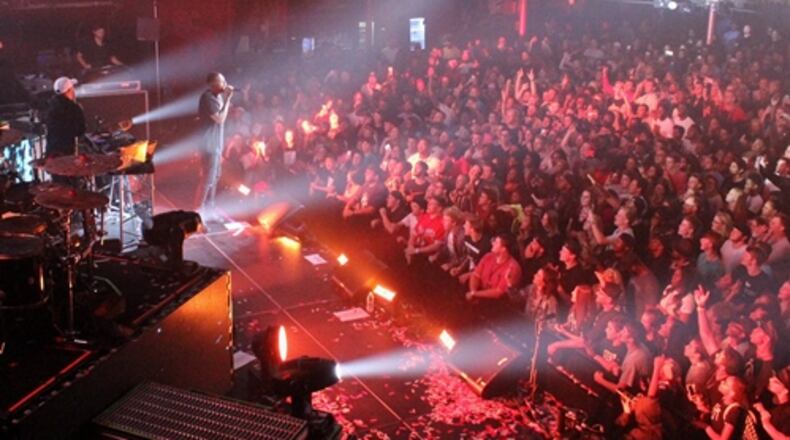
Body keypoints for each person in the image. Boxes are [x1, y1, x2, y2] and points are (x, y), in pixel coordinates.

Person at [197, 72, 233, 213]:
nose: (225, 84)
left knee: (215, 177)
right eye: (222, 81)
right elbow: (220, 119)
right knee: (208, 179)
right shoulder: (208, 97)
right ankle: (198, 212)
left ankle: (209, 208)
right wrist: (228, 99)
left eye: (225, 81)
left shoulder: (217, 97)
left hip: (217, 143)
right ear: (213, 84)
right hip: (209, 144)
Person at [44, 77, 85, 158]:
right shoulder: (74, 108)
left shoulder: (49, 106)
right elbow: (80, 131)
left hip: (51, 151)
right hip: (67, 152)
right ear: (69, 90)